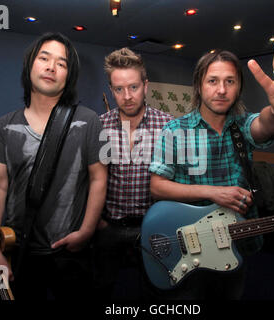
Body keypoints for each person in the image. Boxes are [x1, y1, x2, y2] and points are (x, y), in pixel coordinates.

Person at [149, 40, 274, 299]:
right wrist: (215, 193)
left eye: (230, 81)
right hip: (189, 243)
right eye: (212, 81)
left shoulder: (242, 126)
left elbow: (265, 124)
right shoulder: (174, 130)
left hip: (233, 244)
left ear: (238, 88)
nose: (221, 90)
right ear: (198, 85)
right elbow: (157, 186)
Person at [0, 32, 107, 300]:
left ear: (68, 75)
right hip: (21, 248)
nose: (51, 67)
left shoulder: (90, 121)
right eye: (44, 58)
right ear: (30, 66)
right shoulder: (4, 126)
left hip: (72, 252)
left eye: (61, 63)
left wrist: (86, 232)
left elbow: (98, 179)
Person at [92, 47, 174, 300]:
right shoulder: (99, 125)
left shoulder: (168, 125)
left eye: (134, 87)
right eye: (119, 89)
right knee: (101, 288)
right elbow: (90, 179)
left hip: (152, 227)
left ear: (146, 85)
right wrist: (97, 221)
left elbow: (174, 181)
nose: (127, 96)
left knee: (156, 289)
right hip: (108, 228)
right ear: (111, 90)